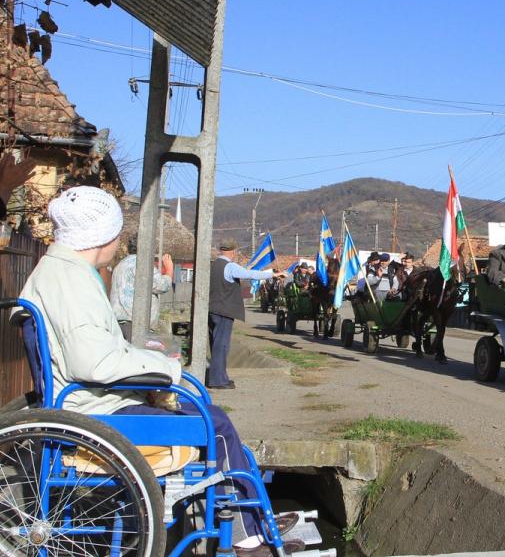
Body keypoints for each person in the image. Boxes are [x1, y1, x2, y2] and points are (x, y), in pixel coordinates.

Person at [20, 188, 301, 556]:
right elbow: (92, 362)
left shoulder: (61, 270)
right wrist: (165, 368)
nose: (119, 241)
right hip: (96, 412)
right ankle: (248, 537)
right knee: (213, 422)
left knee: (208, 415)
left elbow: (94, 350)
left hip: (89, 403)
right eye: (117, 233)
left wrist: (142, 358)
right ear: (103, 236)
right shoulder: (71, 280)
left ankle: (252, 515)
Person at [208, 239, 285, 390]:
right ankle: (217, 380)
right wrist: (273, 275)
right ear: (233, 252)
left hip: (213, 309)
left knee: (216, 344)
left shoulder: (214, 265)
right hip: (224, 310)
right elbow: (250, 274)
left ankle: (220, 377)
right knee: (221, 346)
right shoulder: (229, 266)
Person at [109, 238, 174, 341]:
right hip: (135, 324)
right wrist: (169, 269)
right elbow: (162, 285)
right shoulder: (141, 264)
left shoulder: (121, 264)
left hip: (119, 322)